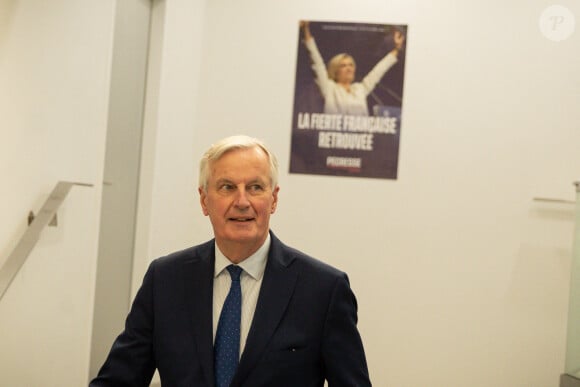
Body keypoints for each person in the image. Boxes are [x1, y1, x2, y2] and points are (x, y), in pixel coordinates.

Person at [90, 135, 371, 386]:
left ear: (273, 199)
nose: (242, 201)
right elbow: (118, 380)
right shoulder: (165, 280)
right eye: (226, 187)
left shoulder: (323, 290)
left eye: (255, 187)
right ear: (204, 200)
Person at [301, 20, 405, 116]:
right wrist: (306, 29)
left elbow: (378, 70)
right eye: (343, 65)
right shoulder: (329, 88)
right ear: (335, 71)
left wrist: (397, 49)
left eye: (351, 65)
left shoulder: (360, 89)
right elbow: (316, 62)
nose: (349, 68)